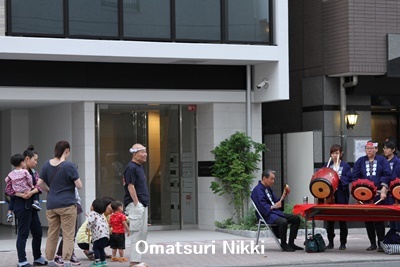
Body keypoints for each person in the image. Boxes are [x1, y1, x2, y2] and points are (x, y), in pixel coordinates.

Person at [38, 140, 82, 267]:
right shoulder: (69, 166)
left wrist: (49, 190)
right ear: (67, 150)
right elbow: (79, 185)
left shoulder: (46, 164)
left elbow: (39, 183)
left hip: (52, 205)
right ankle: (67, 261)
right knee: (68, 235)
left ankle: (50, 260)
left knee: (52, 233)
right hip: (67, 204)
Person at [5, 146, 47, 267]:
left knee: (38, 232)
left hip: (32, 207)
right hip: (22, 207)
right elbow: (8, 191)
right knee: (23, 234)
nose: (36, 162)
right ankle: (22, 260)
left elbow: (39, 187)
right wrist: (19, 194)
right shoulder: (14, 175)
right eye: (35, 159)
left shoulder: (34, 173)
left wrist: (31, 192)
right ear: (26, 159)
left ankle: (37, 257)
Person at [352, 140, 392, 252]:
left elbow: (387, 175)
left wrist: (384, 190)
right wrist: (359, 191)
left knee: (379, 219)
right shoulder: (360, 161)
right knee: (368, 220)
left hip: (379, 193)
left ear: (376, 149)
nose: (369, 151)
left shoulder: (382, 160)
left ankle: (381, 244)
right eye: (367, 149)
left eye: (371, 149)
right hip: (365, 195)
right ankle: (372, 243)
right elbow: (355, 177)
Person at [251, 169, 303, 252]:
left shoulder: (268, 189)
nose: (273, 181)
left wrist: (283, 195)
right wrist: (275, 206)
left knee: (296, 219)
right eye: (271, 179)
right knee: (283, 221)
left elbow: (276, 201)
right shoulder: (257, 190)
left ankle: (291, 242)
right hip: (266, 215)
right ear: (264, 178)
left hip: (274, 213)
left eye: (273, 179)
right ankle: (283, 243)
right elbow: (262, 206)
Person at [124, 143, 150, 267]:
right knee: (137, 234)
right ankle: (134, 262)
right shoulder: (131, 167)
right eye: (143, 152)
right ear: (135, 154)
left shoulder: (139, 167)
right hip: (135, 206)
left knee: (143, 234)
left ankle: (137, 260)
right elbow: (130, 186)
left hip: (142, 205)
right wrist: (136, 204)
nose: (146, 154)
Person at [323, 144, 352, 250]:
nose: (335, 155)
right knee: (329, 220)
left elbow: (349, 178)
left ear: (341, 154)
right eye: (333, 153)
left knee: (342, 220)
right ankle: (330, 242)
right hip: (330, 195)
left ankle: (343, 242)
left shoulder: (345, 166)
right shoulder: (327, 165)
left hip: (341, 195)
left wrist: (339, 178)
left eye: (337, 153)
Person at [5, 153, 42, 222]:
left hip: (17, 193)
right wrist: (31, 186)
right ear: (23, 161)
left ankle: (9, 213)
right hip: (25, 194)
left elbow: (7, 181)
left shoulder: (11, 173)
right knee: (24, 229)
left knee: (12, 199)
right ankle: (36, 202)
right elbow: (30, 180)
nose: (36, 162)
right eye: (35, 160)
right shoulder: (26, 172)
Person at [53, 188, 82, 266]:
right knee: (68, 234)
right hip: (66, 207)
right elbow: (79, 186)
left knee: (72, 233)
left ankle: (69, 254)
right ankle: (60, 255)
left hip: (73, 205)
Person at [87, 199, 110, 267]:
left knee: (96, 248)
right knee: (101, 248)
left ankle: (97, 261)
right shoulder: (101, 215)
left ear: (93, 207)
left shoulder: (92, 213)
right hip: (105, 235)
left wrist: (88, 228)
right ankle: (103, 261)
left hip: (98, 235)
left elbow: (90, 222)